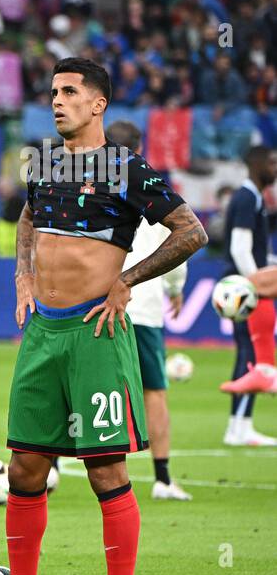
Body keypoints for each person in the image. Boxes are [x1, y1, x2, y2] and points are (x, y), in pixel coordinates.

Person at [0, 58, 206, 575]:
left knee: (105, 470)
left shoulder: (128, 169)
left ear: (98, 104)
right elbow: (29, 218)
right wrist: (23, 276)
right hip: (43, 333)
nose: (57, 101)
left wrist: (128, 279)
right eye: (53, 91)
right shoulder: (45, 163)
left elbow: (191, 231)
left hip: (95, 335)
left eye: (70, 92)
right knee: (25, 466)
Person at [105, 120, 192, 498]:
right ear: (139, 147)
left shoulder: (93, 188)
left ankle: (51, 465)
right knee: (154, 391)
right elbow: (180, 237)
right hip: (144, 307)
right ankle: (162, 479)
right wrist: (175, 288)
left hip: (98, 303)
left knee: (80, 387)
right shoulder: (150, 185)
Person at [218, 148, 277, 438]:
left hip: (244, 284)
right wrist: (256, 287)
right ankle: (239, 426)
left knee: (249, 350)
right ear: (255, 164)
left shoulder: (253, 197)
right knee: (250, 351)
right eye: (271, 161)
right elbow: (239, 248)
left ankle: (240, 425)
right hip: (243, 289)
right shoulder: (247, 197)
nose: (275, 168)